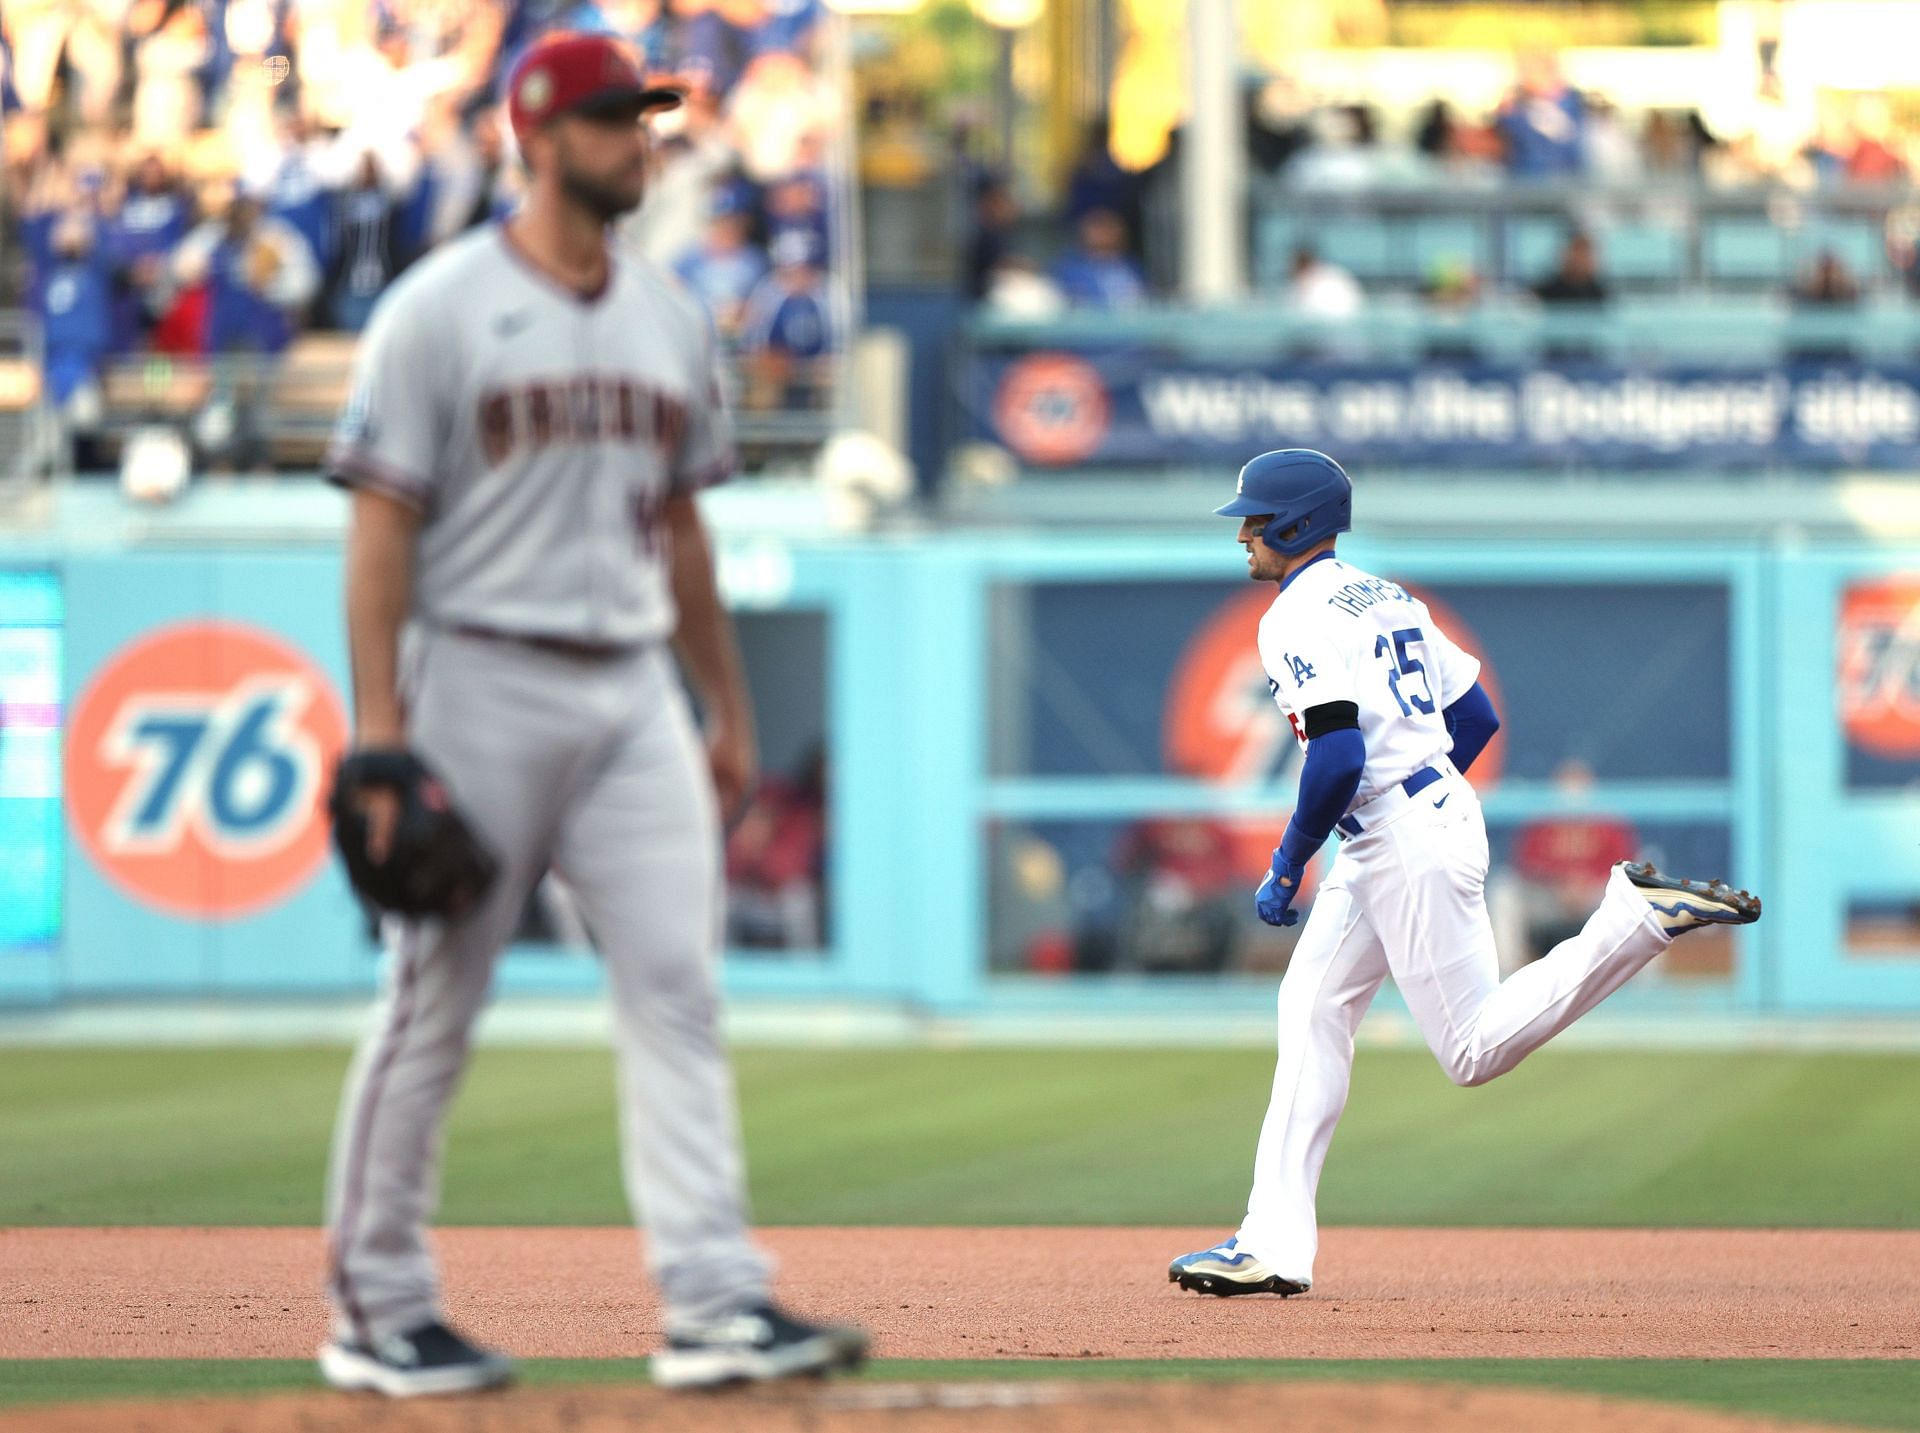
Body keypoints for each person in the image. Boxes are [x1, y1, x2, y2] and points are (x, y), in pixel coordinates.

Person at [317, 32, 867, 1397]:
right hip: (479, 672)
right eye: (619, 119)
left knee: (679, 989)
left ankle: (714, 1300)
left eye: (649, 117)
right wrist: (383, 731)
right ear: (541, 136)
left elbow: (683, 532)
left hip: (629, 685)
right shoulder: (436, 309)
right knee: (434, 998)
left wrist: (722, 707)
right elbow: (382, 531)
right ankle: (378, 1307)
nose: (644, 140)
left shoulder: (668, 315)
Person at [1167, 449, 1761, 1298]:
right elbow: (1474, 715)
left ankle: (1634, 919)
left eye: (1255, 519)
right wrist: (1422, 787)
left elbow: (1335, 756)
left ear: (1296, 523)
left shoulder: (1294, 615)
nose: (1245, 534)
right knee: (1309, 1006)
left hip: (1400, 835)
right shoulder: (1386, 595)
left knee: (1472, 1048)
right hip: (1406, 825)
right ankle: (1272, 1243)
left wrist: (1292, 855)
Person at [1049, 207, 1148, 310]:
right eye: (1099, 226)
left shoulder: (1132, 266)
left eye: (1110, 227)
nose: (1105, 232)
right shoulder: (1067, 270)